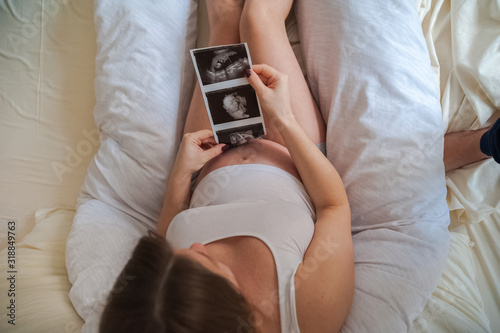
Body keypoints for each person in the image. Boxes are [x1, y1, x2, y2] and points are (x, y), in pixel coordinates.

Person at [100, 1, 349, 333]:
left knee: (225, 14)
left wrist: (180, 176)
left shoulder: (154, 306)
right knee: (258, 17)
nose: (197, 246)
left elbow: (164, 239)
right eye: (206, 261)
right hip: (291, 146)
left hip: (207, 152)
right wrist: (284, 119)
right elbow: (334, 206)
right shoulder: (306, 313)